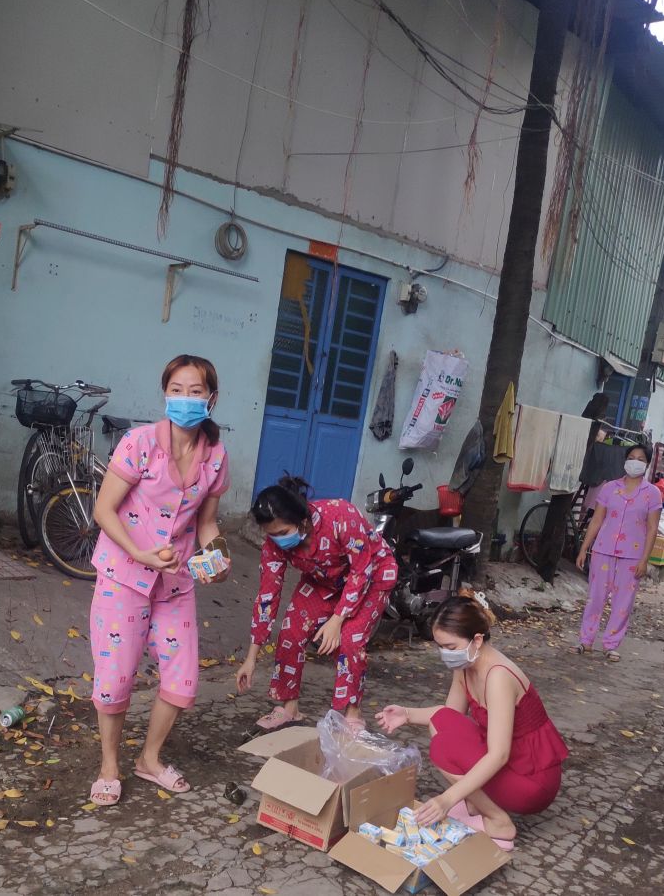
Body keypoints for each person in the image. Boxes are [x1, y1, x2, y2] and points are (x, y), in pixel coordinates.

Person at [87, 355, 230, 807]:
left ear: (212, 399)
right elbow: (103, 509)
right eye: (176, 390)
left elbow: (207, 523)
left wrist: (218, 555)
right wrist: (138, 552)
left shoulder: (216, 456)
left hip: (176, 582)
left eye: (195, 391)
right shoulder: (140, 443)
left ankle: (149, 759)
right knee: (115, 679)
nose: (185, 399)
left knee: (183, 680)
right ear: (165, 394)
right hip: (123, 575)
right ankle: (109, 766)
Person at [376, 592, 569, 850]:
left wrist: (447, 799)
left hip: (532, 780)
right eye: (440, 647)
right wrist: (407, 714)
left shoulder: (498, 677)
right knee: (442, 725)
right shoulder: (466, 665)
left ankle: (498, 821)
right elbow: (449, 717)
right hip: (510, 762)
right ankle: (475, 804)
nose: (445, 654)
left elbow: (499, 755)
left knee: (443, 747)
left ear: (477, 640)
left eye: (450, 647)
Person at [236, 477, 398, 729]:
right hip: (324, 580)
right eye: (272, 535)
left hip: (372, 575)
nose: (278, 540)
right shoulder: (274, 545)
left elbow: (361, 571)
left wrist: (336, 620)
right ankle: (289, 708)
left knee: (350, 640)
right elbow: (267, 595)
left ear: (302, 521)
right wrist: (251, 657)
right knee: (291, 631)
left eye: (282, 533)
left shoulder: (341, 516)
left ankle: (352, 714)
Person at [574, 443, 662, 661]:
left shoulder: (652, 494)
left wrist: (644, 560)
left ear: (647, 464)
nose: (635, 462)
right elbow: (597, 520)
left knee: (623, 602)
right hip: (603, 550)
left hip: (632, 556)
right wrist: (584, 548)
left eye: (640, 459)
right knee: (595, 597)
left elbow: (652, 528)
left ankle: (611, 644)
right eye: (631, 457)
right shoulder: (609, 488)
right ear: (625, 460)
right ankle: (586, 641)